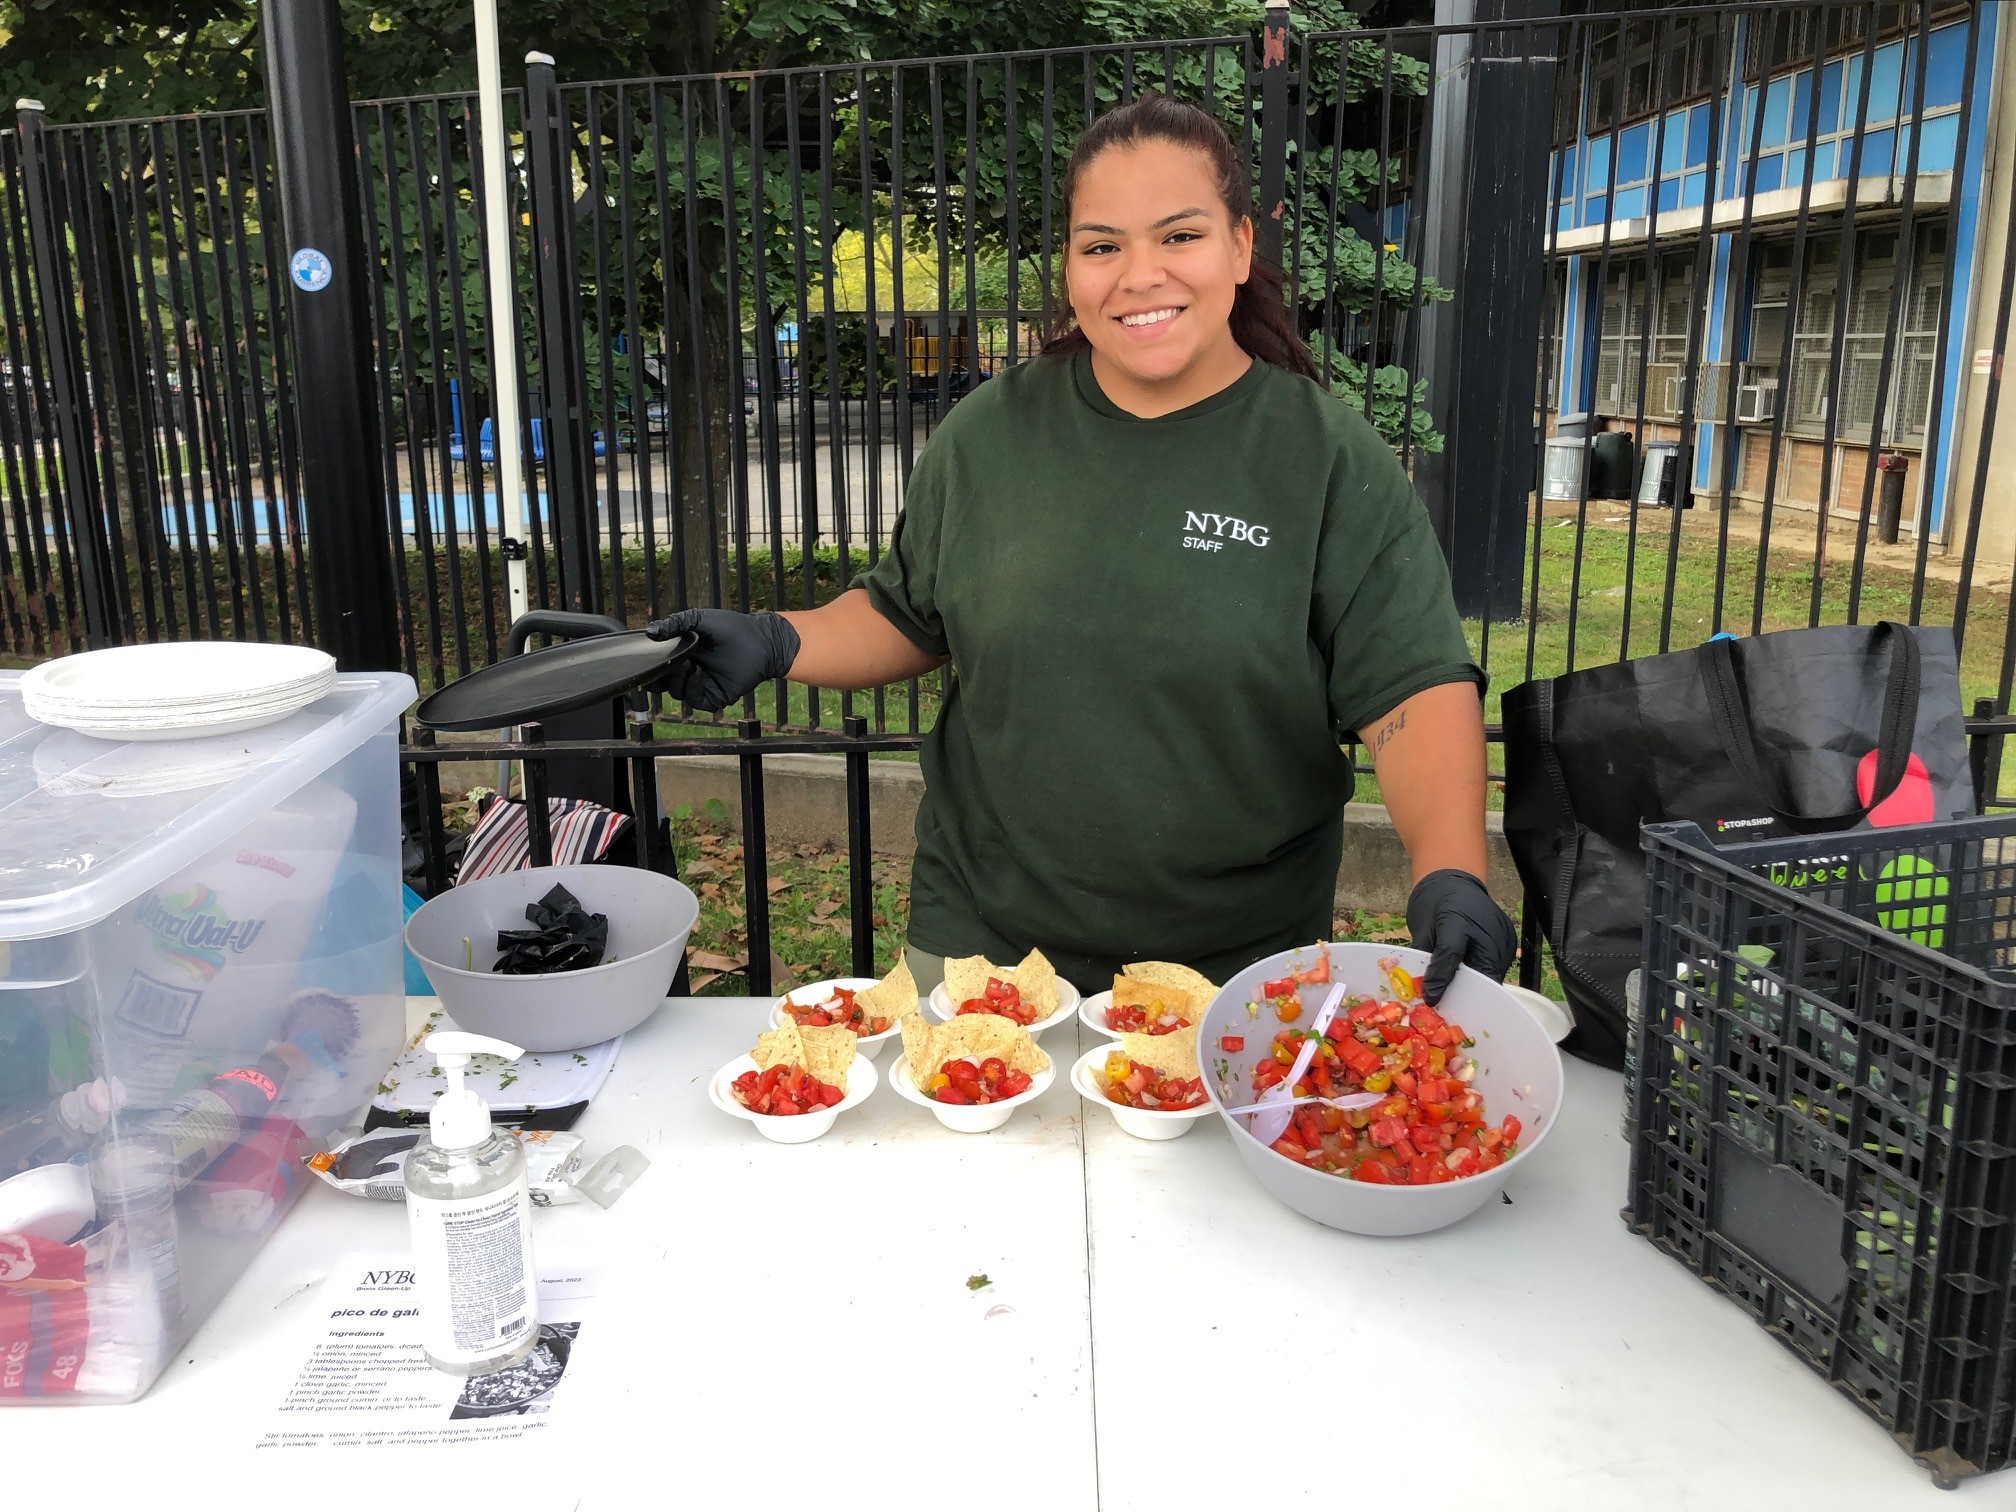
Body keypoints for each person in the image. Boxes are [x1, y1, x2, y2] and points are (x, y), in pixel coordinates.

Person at [647, 91, 1515, 1004]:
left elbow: (1412, 688)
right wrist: (778, 638)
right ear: (1069, 266)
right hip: (985, 949)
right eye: (1102, 245)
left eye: (1179, 235)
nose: (1140, 275)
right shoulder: (987, 433)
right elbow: (908, 614)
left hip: (1233, 971)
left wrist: (1450, 870)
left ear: (1241, 246)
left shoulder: (1329, 459)